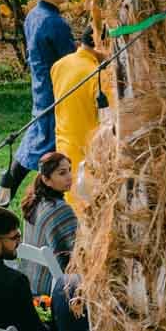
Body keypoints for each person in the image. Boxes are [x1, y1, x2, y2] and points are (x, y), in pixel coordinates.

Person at [0, 0, 76, 207]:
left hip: (41, 90)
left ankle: (1, 195)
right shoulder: (55, 23)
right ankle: (4, 199)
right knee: (43, 149)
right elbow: (71, 63)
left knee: (33, 146)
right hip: (56, 95)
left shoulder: (33, 15)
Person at [47, 23, 112, 210]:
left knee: (70, 204)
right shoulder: (100, 76)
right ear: (103, 45)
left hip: (64, 146)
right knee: (88, 210)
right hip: (88, 155)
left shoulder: (59, 65)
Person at [18, 151, 77, 296]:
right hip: (52, 287)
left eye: (70, 170)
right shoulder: (60, 210)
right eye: (62, 173)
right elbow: (79, 252)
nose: (70, 177)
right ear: (46, 179)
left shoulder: (34, 201)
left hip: (30, 279)